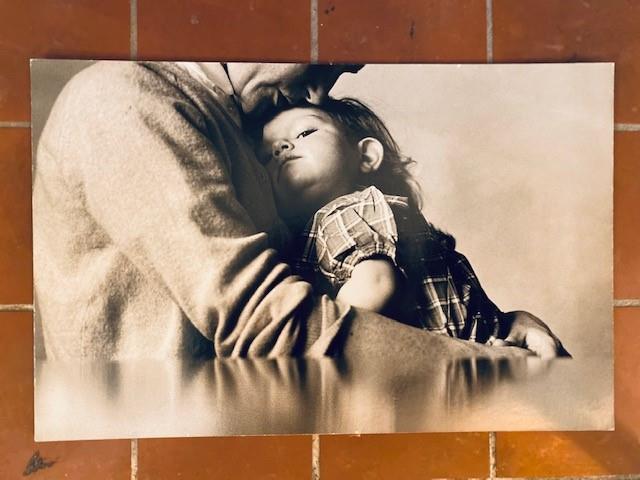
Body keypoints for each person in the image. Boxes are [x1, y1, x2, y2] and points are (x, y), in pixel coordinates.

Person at [33, 61, 564, 360]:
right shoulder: (122, 99)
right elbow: (274, 327)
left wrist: (498, 326)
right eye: (325, 57)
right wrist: (484, 368)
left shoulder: (245, 134)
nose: (315, 94)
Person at [259, 98, 569, 358]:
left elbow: (376, 285)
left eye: (305, 132)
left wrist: (310, 355)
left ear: (365, 156)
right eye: (266, 155)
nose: (281, 147)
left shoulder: (345, 211)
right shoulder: (371, 220)